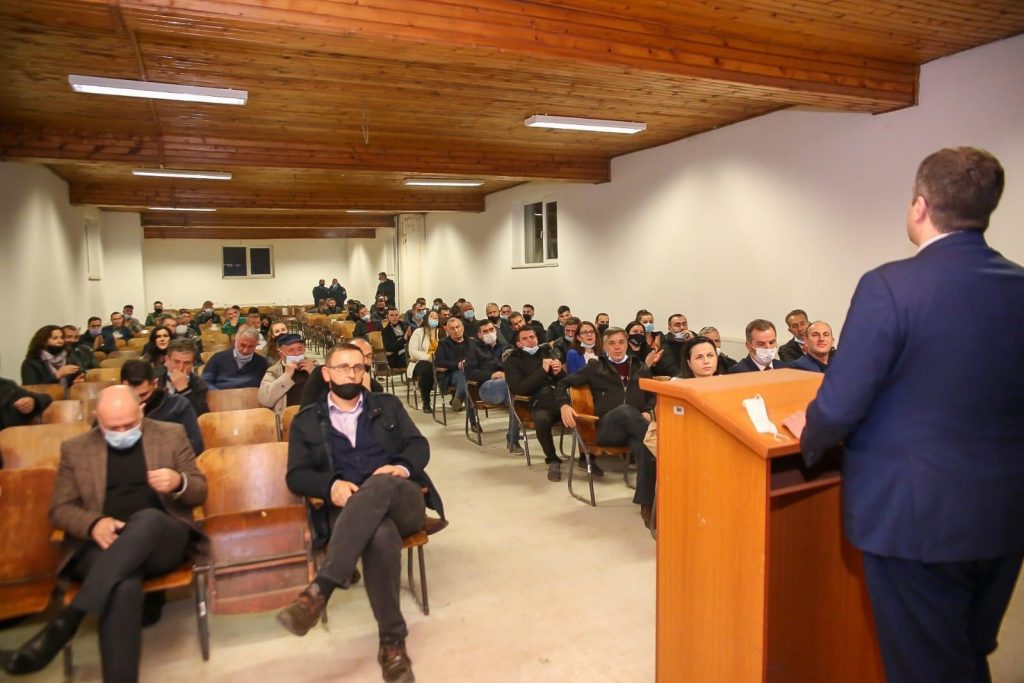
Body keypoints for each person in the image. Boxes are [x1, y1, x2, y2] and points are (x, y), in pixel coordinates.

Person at [781, 147, 1024, 683]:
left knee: (925, 667)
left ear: (919, 206)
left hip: (916, 519)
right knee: (966, 653)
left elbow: (841, 403)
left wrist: (811, 434)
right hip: (1005, 514)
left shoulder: (889, 285)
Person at [1, 386, 206, 681]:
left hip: (161, 541)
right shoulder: (77, 449)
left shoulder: (170, 434)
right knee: (122, 586)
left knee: (147, 519)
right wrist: (94, 523)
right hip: (101, 546)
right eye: (113, 427)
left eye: (129, 425)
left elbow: (199, 490)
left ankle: (67, 621)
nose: (122, 432)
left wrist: (179, 482)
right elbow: (60, 509)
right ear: (97, 417)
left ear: (141, 411)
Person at [277, 343, 443, 683]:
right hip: (349, 509)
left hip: (402, 500)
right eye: (342, 367)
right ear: (327, 374)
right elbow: (296, 476)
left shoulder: (387, 405)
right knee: (379, 535)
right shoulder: (307, 420)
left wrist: (400, 466)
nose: (351, 374)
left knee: (380, 482)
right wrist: (330, 486)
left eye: (357, 367)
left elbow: (418, 445)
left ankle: (322, 588)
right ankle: (392, 644)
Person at [557, 327, 659, 525]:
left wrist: (648, 410)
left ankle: (647, 506)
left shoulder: (641, 367)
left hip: (635, 429)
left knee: (645, 447)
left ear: (627, 343)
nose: (617, 347)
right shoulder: (595, 367)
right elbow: (562, 383)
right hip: (606, 428)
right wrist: (564, 405)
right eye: (612, 343)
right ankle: (664, 445)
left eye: (621, 342)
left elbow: (652, 396)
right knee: (625, 411)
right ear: (604, 347)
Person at [505, 326, 567, 481]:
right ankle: (552, 459)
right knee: (542, 420)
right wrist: (542, 370)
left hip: (561, 397)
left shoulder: (547, 352)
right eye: (525, 338)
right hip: (537, 401)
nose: (530, 341)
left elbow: (565, 381)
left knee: (583, 412)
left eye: (532, 337)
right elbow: (519, 388)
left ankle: (587, 457)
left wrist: (559, 372)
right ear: (518, 343)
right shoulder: (513, 360)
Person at [121, 360, 204, 456]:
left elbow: (196, 445)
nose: (138, 400)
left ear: (155, 383)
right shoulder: (112, 409)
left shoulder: (178, 405)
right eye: (131, 394)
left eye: (143, 395)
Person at [465, 319, 522, 453]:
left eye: (491, 330)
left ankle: (512, 440)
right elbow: (469, 372)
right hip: (486, 388)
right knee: (512, 383)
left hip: (507, 386)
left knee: (517, 401)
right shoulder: (474, 349)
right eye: (485, 331)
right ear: (479, 335)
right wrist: (491, 375)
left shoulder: (505, 346)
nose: (490, 333)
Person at [259, 333, 319, 418]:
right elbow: (265, 400)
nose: (297, 354)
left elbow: (330, 394)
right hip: (287, 419)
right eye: (291, 350)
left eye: (300, 349)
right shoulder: (273, 372)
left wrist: (315, 373)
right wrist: (286, 376)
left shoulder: (314, 366)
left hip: (314, 417)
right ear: (281, 354)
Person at [201, 329, 269, 390]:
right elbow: (205, 381)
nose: (245, 350)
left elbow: (266, 387)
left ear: (256, 345)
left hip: (250, 398)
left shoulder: (262, 363)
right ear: (235, 342)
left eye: (251, 346)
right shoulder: (217, 358)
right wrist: (218, 394)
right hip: (221, 397)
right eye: (242, 345)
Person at [163, 339, 209, 416]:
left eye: (187, 363)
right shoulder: (154, 378)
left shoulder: (199, 384)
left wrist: (184, 390)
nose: (181, 368)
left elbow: (200, 416)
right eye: (176, 362)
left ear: (192, 364)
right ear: (167, 360)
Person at [406, 309, 440, 412]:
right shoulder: (418, 332)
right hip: (420, 362)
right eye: (432, 317)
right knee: (428, 369)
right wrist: (428, 357)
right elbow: (412, 351)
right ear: (426, 318)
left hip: (439, 362)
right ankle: (426, 402)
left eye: (436, 317)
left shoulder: (442, 332)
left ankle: (455, 397)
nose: (434, 319)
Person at [434, 317, 470, 411]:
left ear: (462, 327)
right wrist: (457, 365)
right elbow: (439, 361)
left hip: (472, 370)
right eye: (452, 328)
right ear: (448, 330)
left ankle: (458, 399)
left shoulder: (471, 342)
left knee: (469, 374)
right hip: (452, 374)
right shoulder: (443, 343)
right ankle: (460, 400)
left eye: (458, 327)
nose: (456, 330)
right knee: (464, 374)